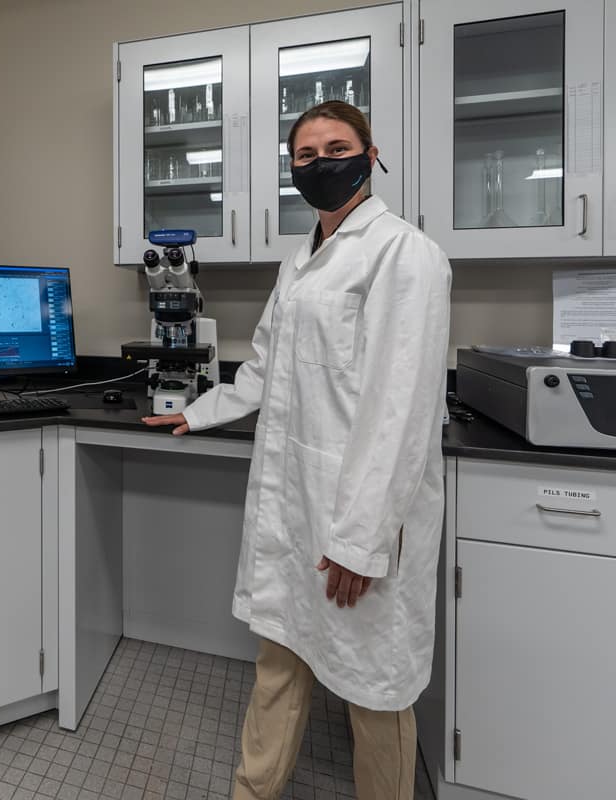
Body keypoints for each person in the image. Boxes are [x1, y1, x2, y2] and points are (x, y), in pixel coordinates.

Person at [143, 100, 451, 800]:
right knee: (279, 658)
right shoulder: (301, 259)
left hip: (357, 515)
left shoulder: (406, 254)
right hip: (297, 505)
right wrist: (199, 411)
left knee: (374, 692)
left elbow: (401, 413)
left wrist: (362, 543)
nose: (321, 164)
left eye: (336, 148)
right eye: (305, 156)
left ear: (371, 155)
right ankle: (252, 791)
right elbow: (265, 365)